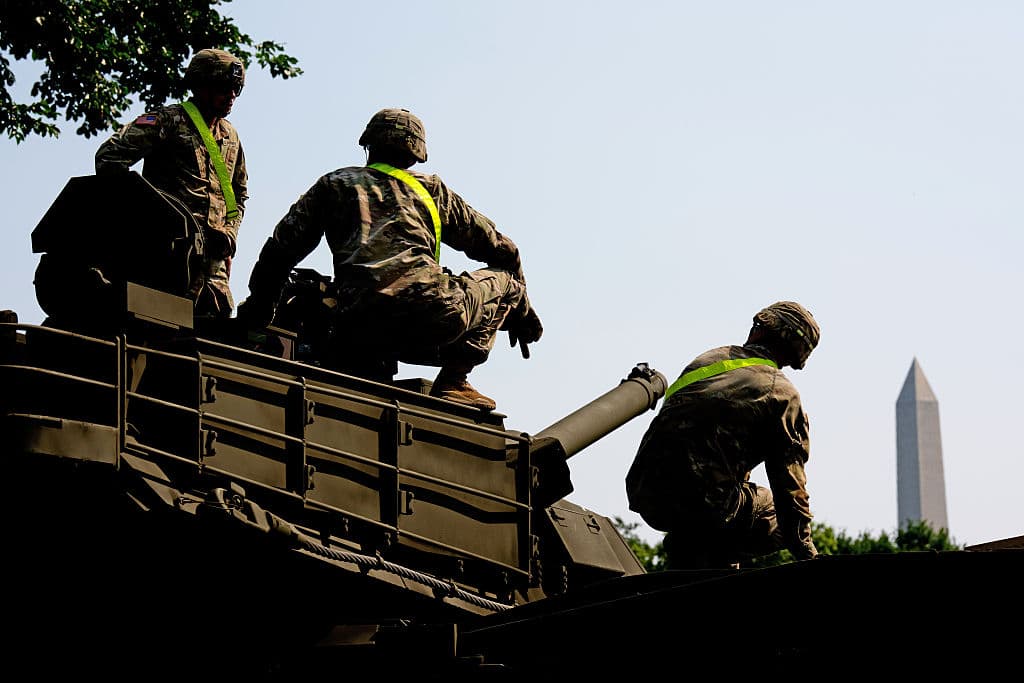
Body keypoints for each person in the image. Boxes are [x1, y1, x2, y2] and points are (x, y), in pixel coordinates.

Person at [236, 108, 542, 410]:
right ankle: (454, 380)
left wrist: (259, 311)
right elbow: (504, 250)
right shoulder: (431, 190)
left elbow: (280, 250)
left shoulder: (334, 184)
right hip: (429, 320)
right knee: (509, 284)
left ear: (368, 145)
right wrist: (523, 312)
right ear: (415, 156)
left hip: (357, 324)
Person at [625, 301, 821, 569]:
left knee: (724, 492)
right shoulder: (782, 393)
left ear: (760, 330)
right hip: (703, 503)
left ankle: (689, 555)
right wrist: (807, 553)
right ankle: (714, 563)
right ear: (795, 354)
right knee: (777, 513)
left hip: (646, 492)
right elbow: (790, 486)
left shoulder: (709, 360)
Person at [93, 47, 249, 320]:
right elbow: (109, 159)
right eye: (225, 87)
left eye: (237, 88)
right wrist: (145, 217)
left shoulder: (231, 137)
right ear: (201, 85)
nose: (232, 96)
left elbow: (238, 195)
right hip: (165, 264)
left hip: (213, 278)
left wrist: (230, 235)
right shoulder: (167, 121)